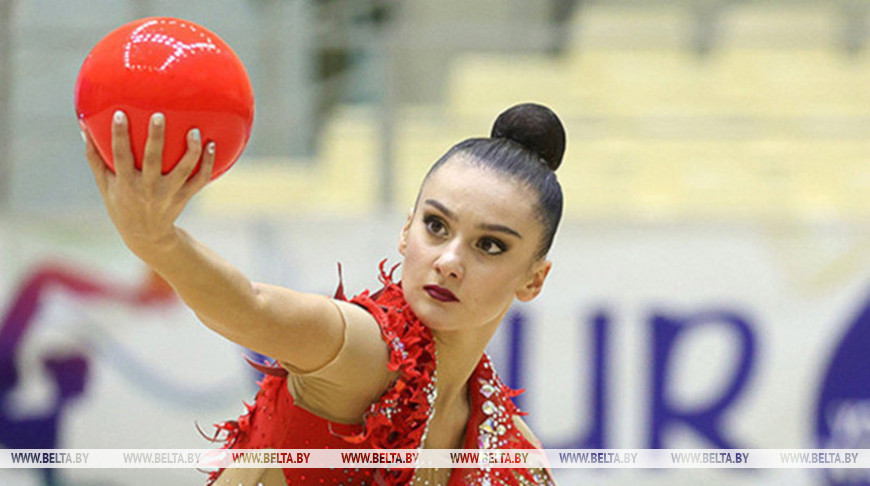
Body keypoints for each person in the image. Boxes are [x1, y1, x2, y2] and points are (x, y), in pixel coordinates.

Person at [84, 102, 566, 485]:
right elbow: (251, 307)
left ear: (533, 280)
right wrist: (158, 242)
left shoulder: (512, 456)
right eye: (436, 226)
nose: (449, 261)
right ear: (406, 231)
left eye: (489, 245)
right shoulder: (365, 350)